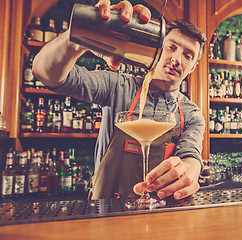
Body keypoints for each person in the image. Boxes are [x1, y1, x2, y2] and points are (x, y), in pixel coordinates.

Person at [32, 0, 207, 200]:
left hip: (161, 217)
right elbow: (44, 72)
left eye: (188, 55)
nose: (177, 59)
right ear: (157, 46)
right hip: (106, 213)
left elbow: (190, 154)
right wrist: (85, 33)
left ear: (193, 67)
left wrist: (191, 169)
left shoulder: (191, 113)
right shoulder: (119, 86)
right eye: (171, 47)